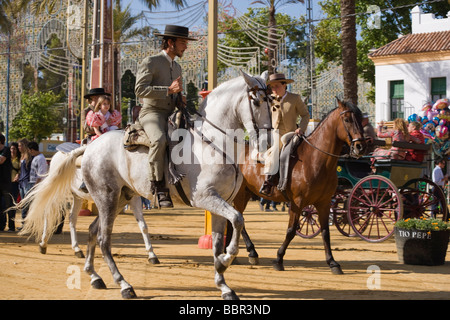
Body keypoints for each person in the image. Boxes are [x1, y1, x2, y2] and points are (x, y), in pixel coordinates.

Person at [135, 25, 197, 208]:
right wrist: (168, 90)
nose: (186, 46)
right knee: (160, 140)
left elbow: (175, 94)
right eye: (183, 42)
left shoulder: (177, 67)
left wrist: (180, 99)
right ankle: (158, 186)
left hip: (172, 113)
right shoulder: (150, 62)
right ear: (170, 42)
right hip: (151, 113)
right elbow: (139, 90)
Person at [259, 73, 310, 196]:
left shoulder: (295, 98)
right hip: (275, 132)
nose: (274, 89)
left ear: (284, 85)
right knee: (276, 150)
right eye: (272, 87)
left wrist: (301, 129)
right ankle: (268, 182)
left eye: (276, 86)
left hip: (292, 133)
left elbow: (305, 115)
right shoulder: (268, 99)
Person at [17, 138, 33, 226]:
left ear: (25, 146)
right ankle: (24, 223)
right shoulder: (22, 156)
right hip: (21, 182)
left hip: (27, 182)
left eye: (20, 145)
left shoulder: (29, 157)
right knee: (23, 204)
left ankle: (26, 224)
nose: (19, 147)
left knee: (26, 204)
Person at [0, 134, 13, 232]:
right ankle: (1, 225)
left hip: (5, 183)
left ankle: (11, 226)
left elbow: (1, 160)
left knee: (8, 205)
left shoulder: (6, 150)